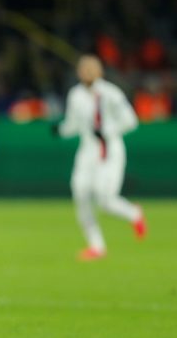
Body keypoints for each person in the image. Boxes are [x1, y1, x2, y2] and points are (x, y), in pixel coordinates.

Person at [52, 54, 147, 260]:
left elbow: (131, 120)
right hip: (87, 151)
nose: (86, 72)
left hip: (109, 150)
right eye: (83, 68)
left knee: (105, 200)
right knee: (80, 194)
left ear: (99, 71)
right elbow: (74, 124)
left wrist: (107, 131)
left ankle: (134, 213)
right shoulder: (75, 95)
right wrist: (60, 130)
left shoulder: (110, 93)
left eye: (91, 68)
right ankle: (96, 246)